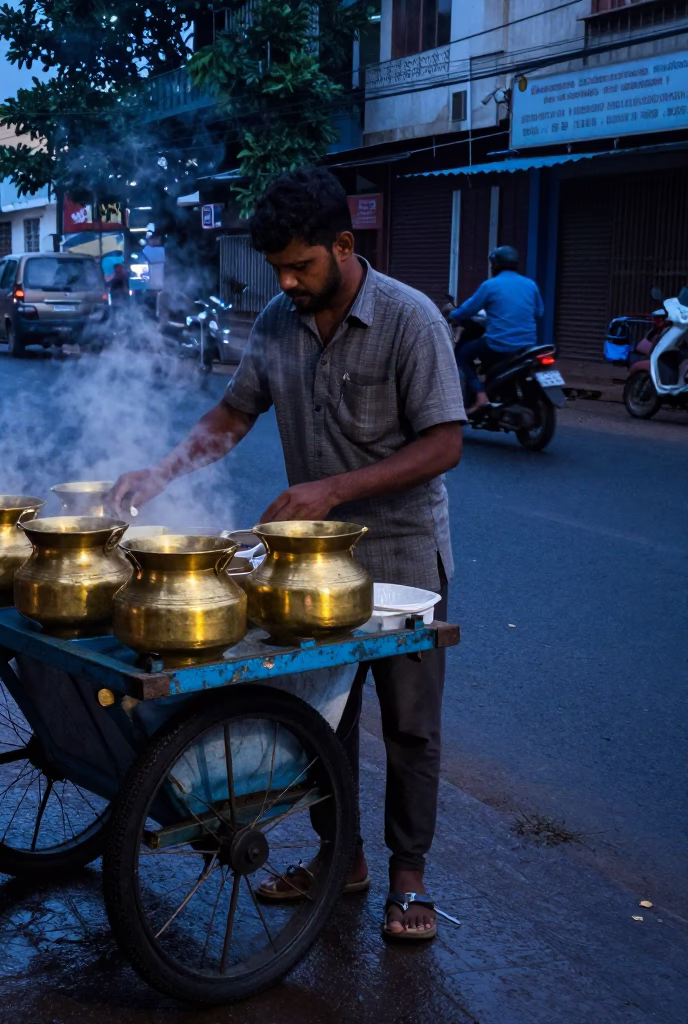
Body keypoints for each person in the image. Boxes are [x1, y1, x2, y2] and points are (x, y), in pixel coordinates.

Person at [111, 168, 466, 941]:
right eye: (277, 267)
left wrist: (331, 490)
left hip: (403, 551)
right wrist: (160, 472)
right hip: (309, 566)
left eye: (301, 265)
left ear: (344, 245)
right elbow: (235, 413)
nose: (287, 280)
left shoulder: (411, 320)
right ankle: (343, 861)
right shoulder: (278, 320)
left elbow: (446, 444)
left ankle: (409, 879)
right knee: (322, 717)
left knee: (410, 726)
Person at [449, 246, 544, 414]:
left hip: (499, 344)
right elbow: (539, 312)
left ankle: (480, 396)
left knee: (461, 355)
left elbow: (468, 310)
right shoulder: (530, 284)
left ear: (496, 265)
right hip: (527, 345)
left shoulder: (490, 286)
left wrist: (452, 315)